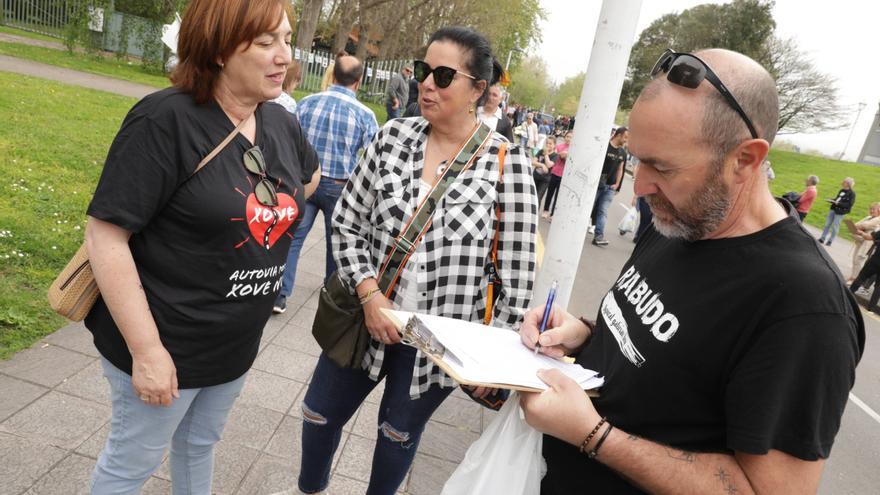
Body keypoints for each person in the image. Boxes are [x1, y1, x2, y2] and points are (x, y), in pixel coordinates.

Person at [518, 48, 864, 494]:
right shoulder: (680, 220)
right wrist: (586, 334)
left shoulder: (805, 305)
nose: (640, 187)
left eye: (661, 166)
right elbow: (671, 352)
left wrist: (594, 436)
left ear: (745, 160)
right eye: (640, 158)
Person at [84, 0, 320, 492]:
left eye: (286, 39)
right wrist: (147, 351)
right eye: (265, 42)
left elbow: (308, 180)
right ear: (217, 49)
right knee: (132, 463)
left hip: (233, 344)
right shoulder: (163, 121)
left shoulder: (280, 122)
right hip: (167, 340)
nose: (285, 56)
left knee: (199, 446)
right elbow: (106, 237)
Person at [292, 26, 537, 495]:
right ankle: (311, 488)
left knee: (396, 437)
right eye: (425, 71)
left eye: (444, 75)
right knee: (317, 413)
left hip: (437, 341)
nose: (427, 83)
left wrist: (494, 361)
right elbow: (345, 223)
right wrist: (368, 294)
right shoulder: (391, 137)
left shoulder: (508, 165)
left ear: (478, 90)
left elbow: (517, 280)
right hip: (366, 319)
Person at [273, 54, 379, 314]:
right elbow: (374, 156)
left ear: (333, 76)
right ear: (358, 81)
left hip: (306, 179)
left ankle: (279, 295)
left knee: (294, 238)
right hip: (340, 186)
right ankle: (334, 296)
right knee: (339, 244)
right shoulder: (365, 114)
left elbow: (291, 140)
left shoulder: (306, 103)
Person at [590, 126, 628, 246]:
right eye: (625, 137)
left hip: (610, 188)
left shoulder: (623, 153)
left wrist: (617, 185)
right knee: (588, 208)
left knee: (603, 211)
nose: (626, 140)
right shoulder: (604, 146)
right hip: (596, 185)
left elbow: (620, 169)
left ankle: (598, 236)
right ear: (618, 135)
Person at [541, 130, 572, 219]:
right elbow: (553, 156)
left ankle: (553, 213)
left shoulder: (574, 149)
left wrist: (566, 156)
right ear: (564, 137)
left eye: (571, 137)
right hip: (554, 172)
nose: (568, 139)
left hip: (564, 176)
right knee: (550, 193)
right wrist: (560, 154)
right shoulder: (558, 146)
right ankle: (546, 210)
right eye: (567, 136)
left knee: (558, 196)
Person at [819, 177, 856, 246]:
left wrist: (838, 203)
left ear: (848, 184)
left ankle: (830, 241)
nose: (842, 182)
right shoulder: (841, 190)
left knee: (835, 227)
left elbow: (849, 204)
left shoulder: (852, 193)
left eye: (844, 181)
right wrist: (831, 200)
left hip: (840, 212)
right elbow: (837, 199)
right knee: (827, 224)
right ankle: (822, 238)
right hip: (833, 209)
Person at [848, 202, 880, 282]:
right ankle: (853, 277)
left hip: (867, 243)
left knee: (859, 260)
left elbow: (864, 225)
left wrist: (857, 227)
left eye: (873, 209)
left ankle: (856, 279)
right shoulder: (869, 217)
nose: (871, 211)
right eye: (870, 209)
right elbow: (857, 224)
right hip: (860, 240)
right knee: (854, 259)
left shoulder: (878, 219)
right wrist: (857, 226)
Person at [851, 229, 880, 314]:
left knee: (862, 276)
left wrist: (861, 233)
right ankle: (870, 308)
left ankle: (849, 294)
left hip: (876, 259)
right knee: (878, 286)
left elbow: (869, 237)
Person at [532, 135, 556, 206]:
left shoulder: (555, 155)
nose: (548, 145)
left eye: (550, 143)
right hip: (535, 177)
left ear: (554, 145)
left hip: (544, 180)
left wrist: (546, 154)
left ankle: (535, 214)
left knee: (538, 198)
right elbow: (533, 162)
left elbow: (549, 165)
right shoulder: (540, 151)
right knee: (531, 196)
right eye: (547, 143)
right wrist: (542, 165)